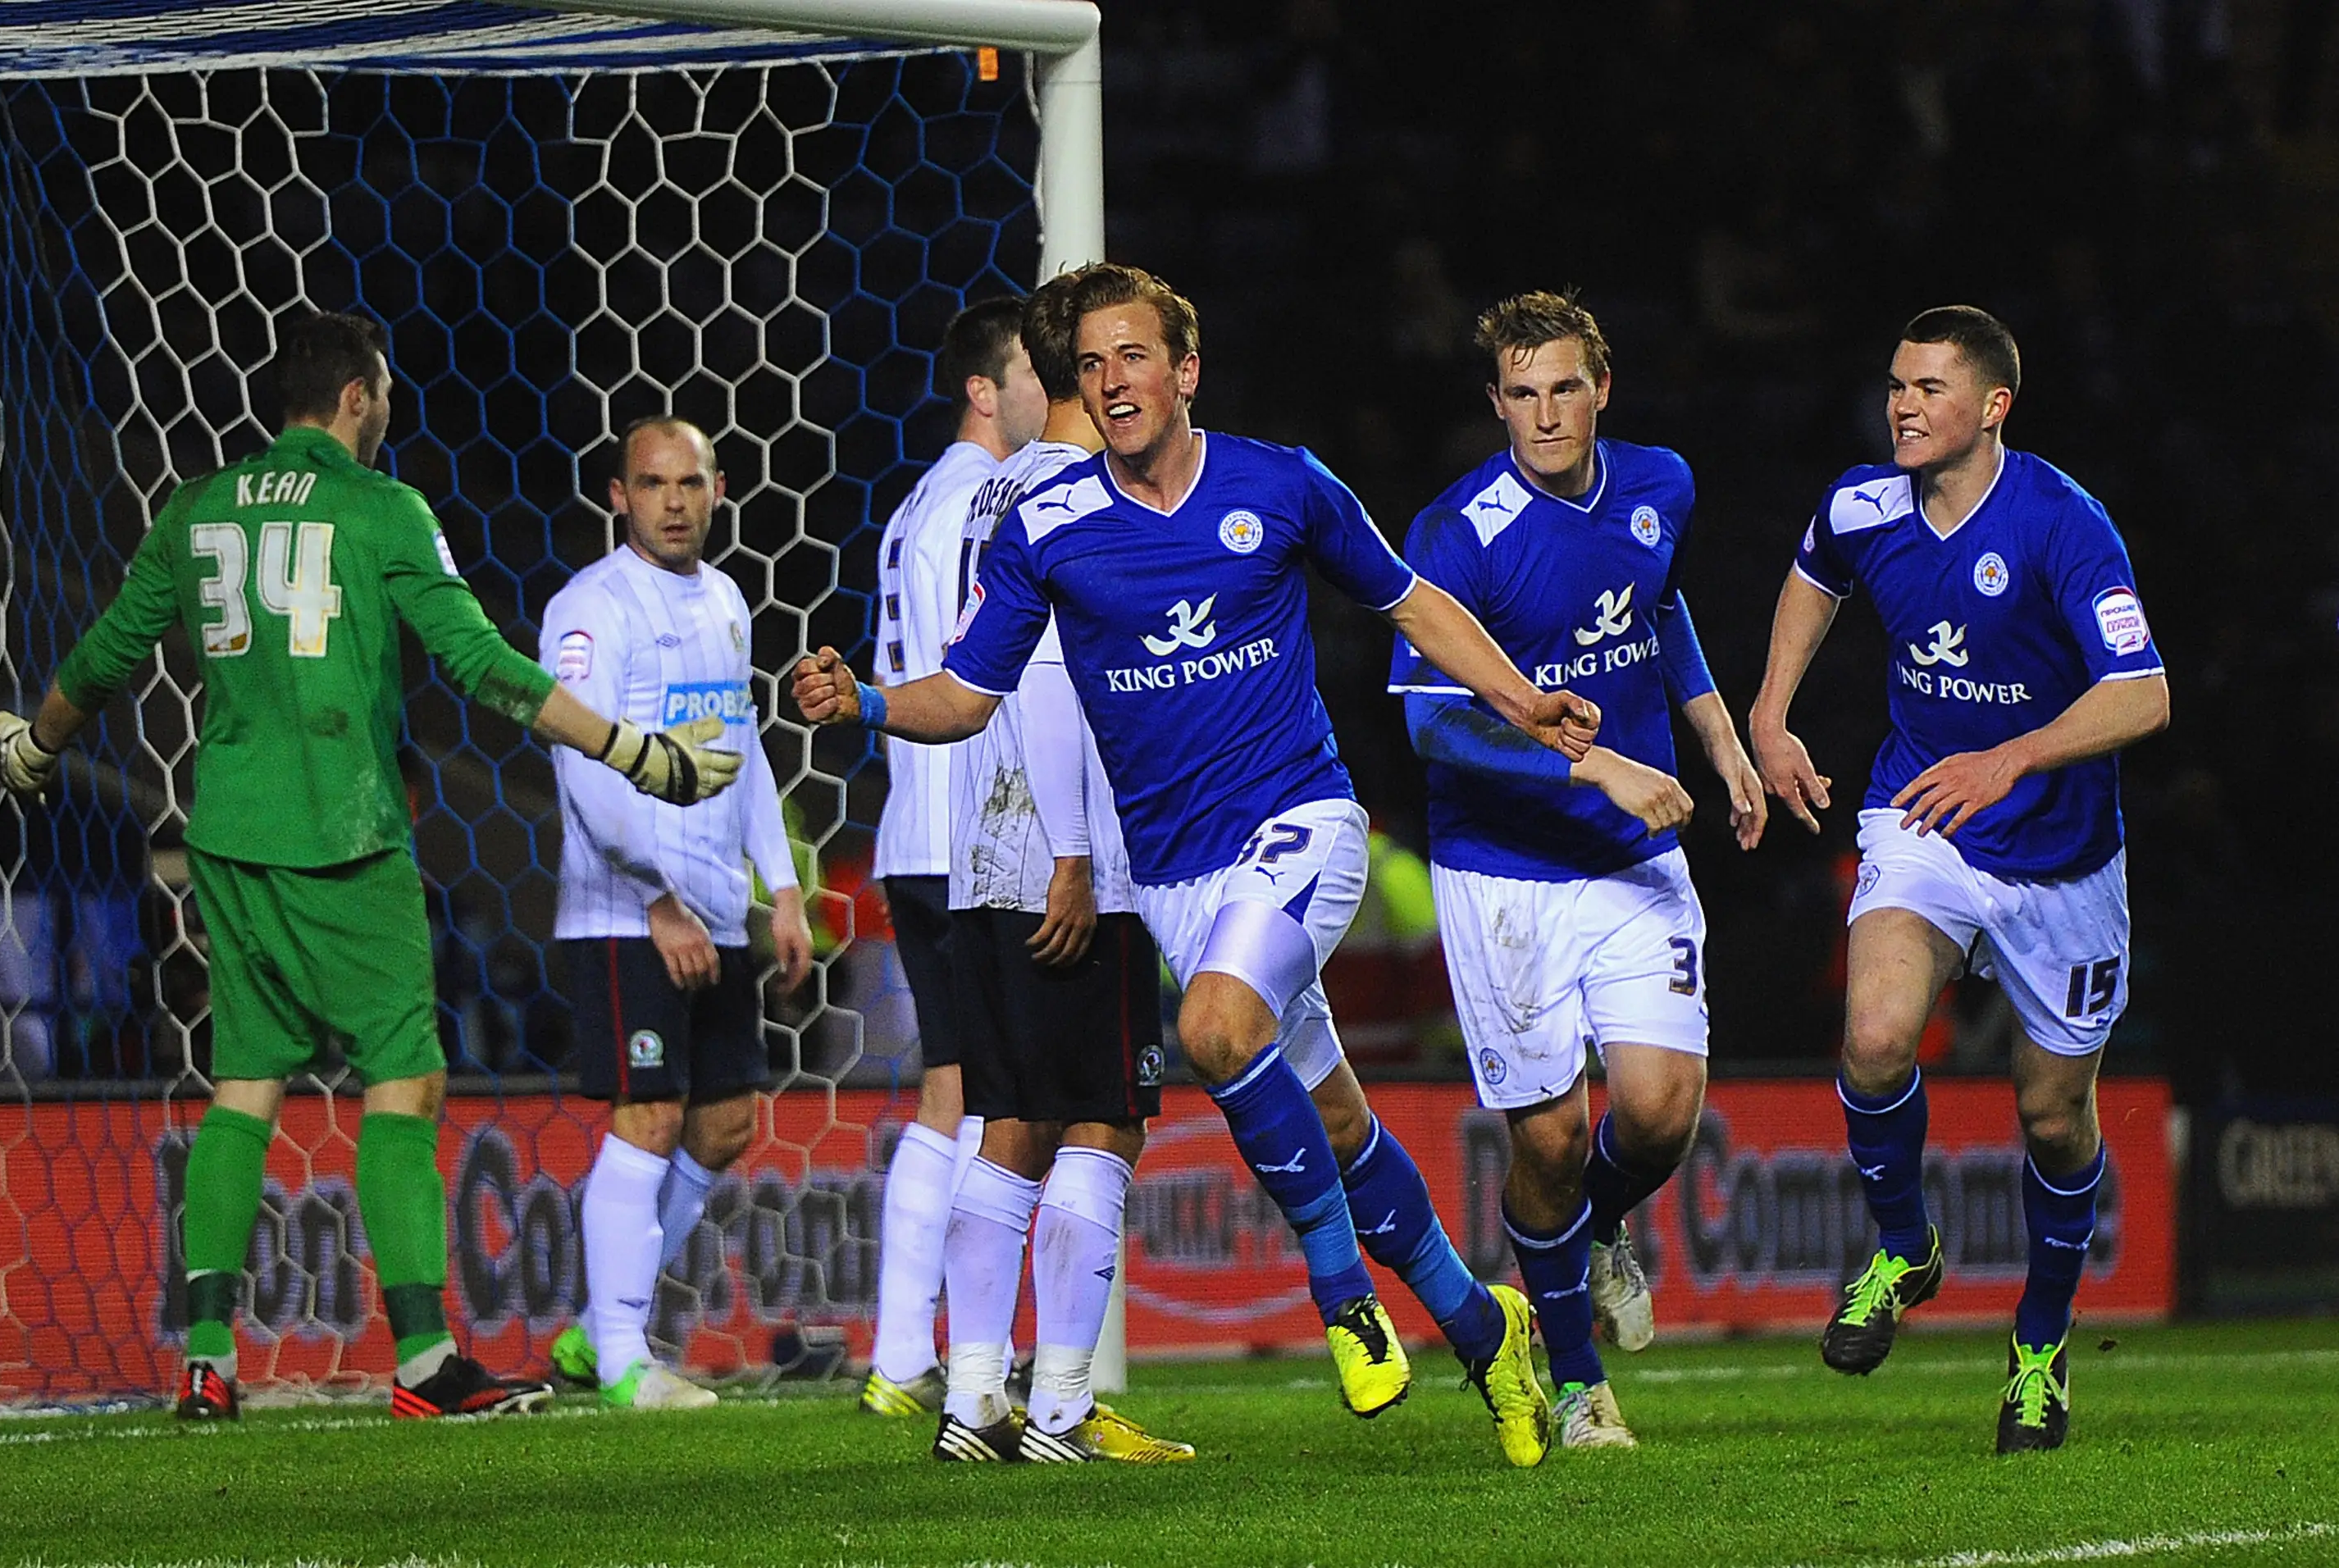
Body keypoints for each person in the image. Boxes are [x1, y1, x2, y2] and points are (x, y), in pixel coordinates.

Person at [796, 262, 1598, 1468]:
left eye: (1133, 357)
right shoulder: (1049, 526)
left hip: (1301, 824)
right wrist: (862, 699)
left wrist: (1524, 700)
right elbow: (968, 695)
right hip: (1174, 877)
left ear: (1186, 369)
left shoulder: (1280, 483)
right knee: (1334, 1124)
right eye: (1091, 365)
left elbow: (1411, 601)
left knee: (1222, 1031)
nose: (1110, 381)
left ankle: (1342, 1301)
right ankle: (1491, 1335)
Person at [0, 310, 741, 1420]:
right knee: (406, 1080)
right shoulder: (382, 507)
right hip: (346, 830)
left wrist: (36, 745)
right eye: (382, 395)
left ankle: (206, 1356)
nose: (385, 411)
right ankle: (428, 1362)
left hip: (228, 836)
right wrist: (635, 749)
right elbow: (479, 663)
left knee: (244, 1082)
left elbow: (104, 657)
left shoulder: (197, 508)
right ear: (357, 398)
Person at [1748, 306, 2169, 1452]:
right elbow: (1812, 573)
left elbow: (2145, 693)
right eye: (1896, 383)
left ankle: (2038, 1351)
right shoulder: (1864, 503)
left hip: (2061, 858)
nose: (1903, 404)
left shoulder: (2062, 523)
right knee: (1876, 1037)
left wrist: (2015, 755)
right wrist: (1771, 713)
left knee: (2052, 1116)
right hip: (1924, 816)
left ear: (1993, 408)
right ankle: (1904, 1245)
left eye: (1930, 388)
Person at [1391, 291, 1767, 1450]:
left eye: (1564, 388)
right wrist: (1591, 765)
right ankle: (1577, 1379)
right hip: (1503, 871)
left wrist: (1719, 737)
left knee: (1657, 1116)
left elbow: (1660, 610)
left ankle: (1592, 1236)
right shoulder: (1457, 534)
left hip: (1632, 855)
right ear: (1493, 401)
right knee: (1550, 1139)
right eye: (1520, 393)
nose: (1544, 414)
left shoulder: (1662, 484)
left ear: (1602, 388)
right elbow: (1429, 726)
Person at [930, 273, 1191, 1464]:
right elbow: (1049, 682)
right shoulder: (1079, 496)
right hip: (1072, 855)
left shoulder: (993, 487)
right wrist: (1079, 857)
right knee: (1103, 1121)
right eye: (1101, 356)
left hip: (984, 848)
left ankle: (973, 1399)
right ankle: (1063, 1408)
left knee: (1012, 1121)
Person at [536, 418, 812, 1411]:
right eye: (653, 484)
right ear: (619, 495)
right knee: (647, 1115)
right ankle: (619, 1361)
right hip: (625, 915)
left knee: (727, 1122)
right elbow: (582, 767)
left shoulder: (730, 601)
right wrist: (656, 901)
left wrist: (778, 886)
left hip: (715, 910)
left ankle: (592, 1331)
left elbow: (746, 754)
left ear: (720, 487)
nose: (674, 501)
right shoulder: (589, 613)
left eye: (690, 482)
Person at [859, 296, 1051, 1417]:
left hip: (916, 830)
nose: (1049, 389)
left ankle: (904, 1357)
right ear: (986, 387)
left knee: (958, 1092)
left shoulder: (916, 505)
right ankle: (939, 1356)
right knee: (1002, 1101)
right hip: (972, 834)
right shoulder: (988, 499)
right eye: (1032, 370)